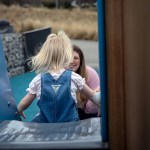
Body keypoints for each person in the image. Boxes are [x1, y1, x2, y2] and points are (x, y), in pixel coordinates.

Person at [17, 31, 100, 123]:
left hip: (46, 124)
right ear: (67, 56)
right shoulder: (74, 77)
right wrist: (100, 105)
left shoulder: (38, 80)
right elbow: (93, 96)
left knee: (34, 123)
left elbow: (25, 102)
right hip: (69, 124)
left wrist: (20, 110)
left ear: (45, 56)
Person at [69, 45, 100, 119]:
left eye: (75, 58)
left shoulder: (90, 73)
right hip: (68, 112)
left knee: (93, 103)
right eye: (68, 58)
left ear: (81, 60)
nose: (72, 61)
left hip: (87, 112)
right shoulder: (60, 74)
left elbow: (97, 95)